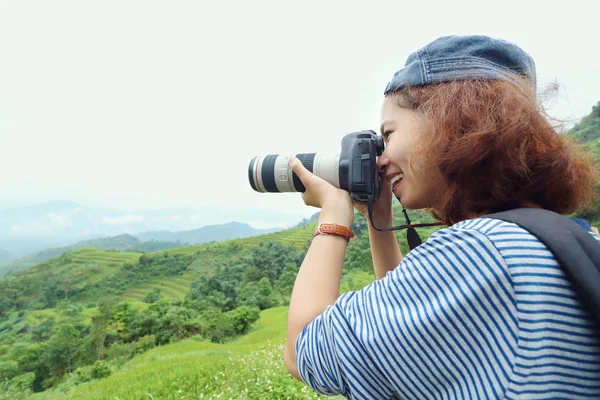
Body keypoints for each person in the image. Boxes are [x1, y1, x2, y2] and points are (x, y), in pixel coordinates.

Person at [283, 35, 600, 399]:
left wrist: (334, 216)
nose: (381, 159)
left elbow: (304, 352)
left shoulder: (481, 251)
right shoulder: (560, 238)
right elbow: (407, 339)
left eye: (388, 134)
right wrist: (378, 218)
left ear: (451, 122)